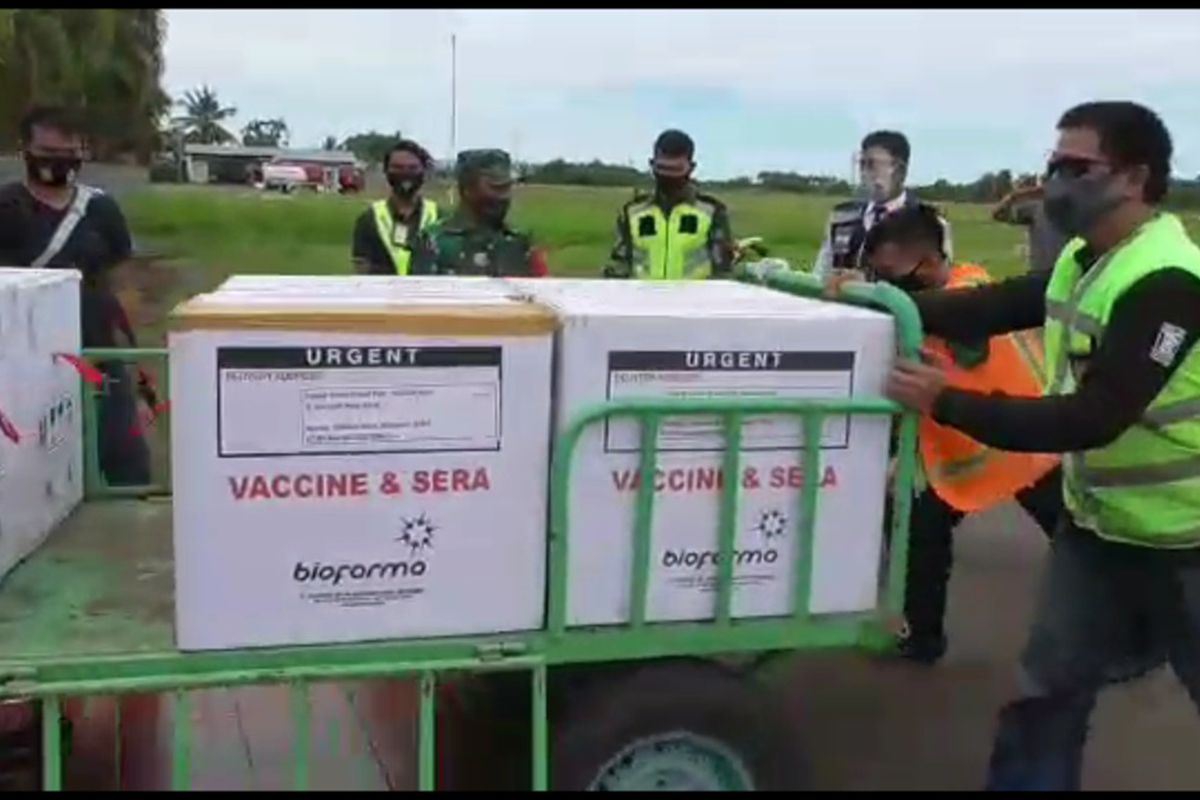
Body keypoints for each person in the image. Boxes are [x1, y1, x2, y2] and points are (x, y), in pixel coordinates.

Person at [879, 101, 1200, 790]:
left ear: (1134, 177)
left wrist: (947, 401)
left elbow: (1094, 416)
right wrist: (882, 303)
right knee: (1045, 695)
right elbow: (988, 307)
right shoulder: (1084, 261)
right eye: (1052, 163)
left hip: (1189, 538)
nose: (1052, 180)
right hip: (1100, 531)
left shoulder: (1168, 280)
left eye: (1073, 166)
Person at [857, 203, 1063, 665]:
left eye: (890, 275)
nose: (884, 286)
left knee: (1083, 550)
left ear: (928, 264)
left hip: (1021, 442)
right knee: (919, 539)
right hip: (958, 451)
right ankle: (922, 638)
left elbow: (966, 342)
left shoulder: (970, 288)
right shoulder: (910, 305)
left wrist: (880, 306)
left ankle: (1131, 635)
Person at [0, 105, 151, 488]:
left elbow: (123, 277)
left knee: (123, 455)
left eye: (68, 152)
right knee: (33, 463)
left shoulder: (101, 210)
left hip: (96, 351)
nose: (57, 162)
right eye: (47, 151)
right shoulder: (6, 207)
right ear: (26, 151)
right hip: (22, 359)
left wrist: (130, 355)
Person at [813, 130, 953, 280]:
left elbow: (935, 286)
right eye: (862, 164)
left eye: (872, 165)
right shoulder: (841, 217)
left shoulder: (929, 224)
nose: (864, 173)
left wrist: (868, 283)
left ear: (900, 171)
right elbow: (821, 274)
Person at [603, 129, 734, 280]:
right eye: (663, 169)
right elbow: (620, 264)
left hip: (694, 301)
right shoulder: (632, 212)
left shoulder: (711, 211)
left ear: (691, 168)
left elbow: (723, 271)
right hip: (643, 300)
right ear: (652, 165)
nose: (669, 177)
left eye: (676, 170)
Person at [411, 149, 548, 277]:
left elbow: (540, 294)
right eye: (496, 188)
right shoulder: (435, 241)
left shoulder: (519, 242)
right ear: (467, 190)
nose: (504, 196)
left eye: (507, 187)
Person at [351, 139, 440, 275]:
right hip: (383, 294)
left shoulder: (440, 217)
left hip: (426, 294)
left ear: (423, 170)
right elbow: (362, 271)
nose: (405, 173)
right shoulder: (368, 219)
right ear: (386, 171)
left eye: (412, 168)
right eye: (398, 168)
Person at [992, 177, 1070, 274]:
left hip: (1066, 272)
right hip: (1039, 271)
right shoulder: (1034, 208)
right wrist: (1013, 197)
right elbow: (998, 214)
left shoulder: (1074, 207)